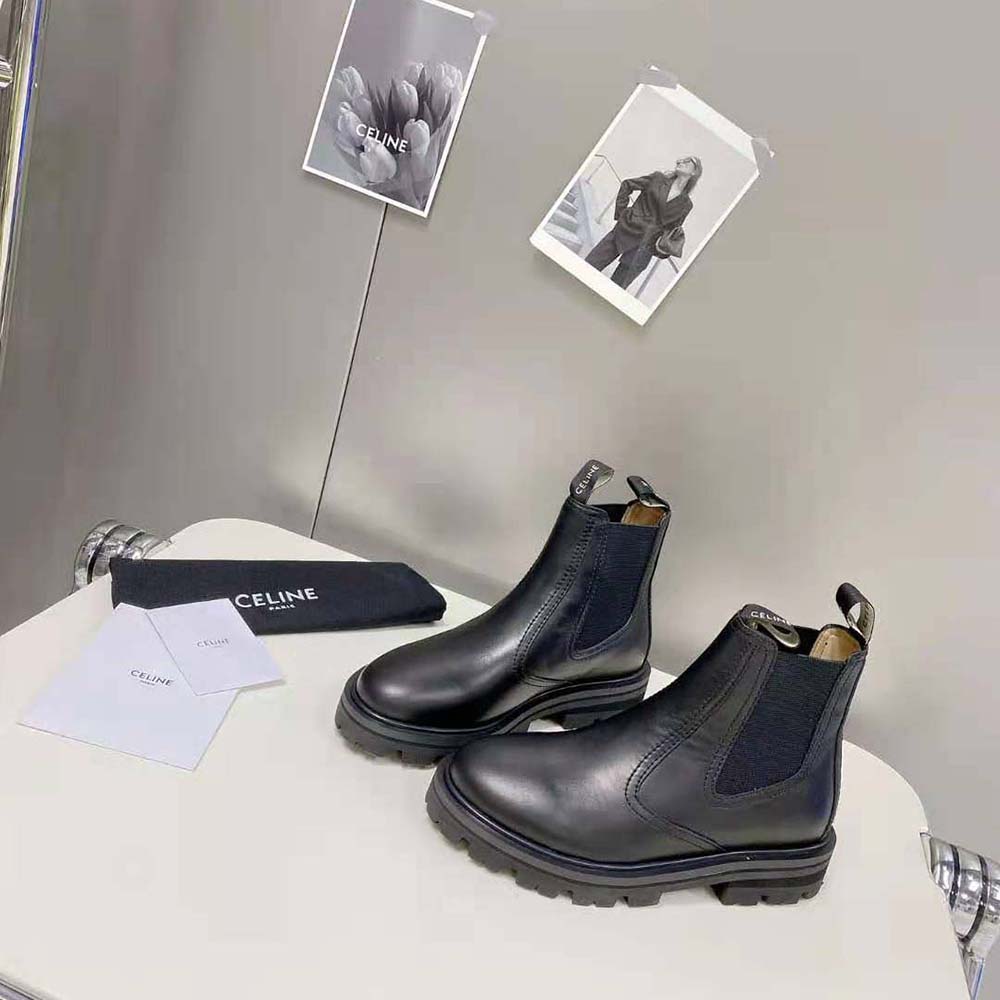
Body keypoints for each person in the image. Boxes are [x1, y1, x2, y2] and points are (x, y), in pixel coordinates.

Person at [585, 155, 702, 291]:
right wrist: (621, 215)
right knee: (588, 267)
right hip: (625, 230)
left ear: (694, 172)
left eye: (688, 161)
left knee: (615, 289)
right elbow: (627, 185)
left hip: (644, 249)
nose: (680, 161)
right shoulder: (657, 178)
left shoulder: (686, 205)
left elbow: (672, 231)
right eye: (681, 160)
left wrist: (660, 249)